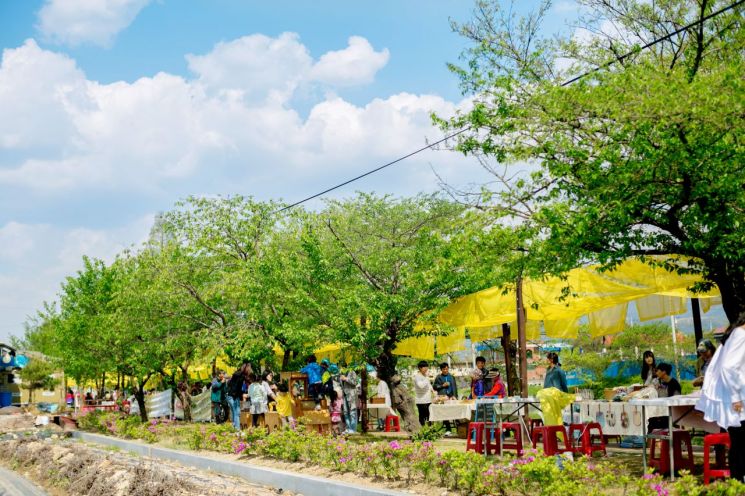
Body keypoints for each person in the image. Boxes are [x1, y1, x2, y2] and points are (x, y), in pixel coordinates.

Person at [696, 313, 745, 482]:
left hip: (733, 397)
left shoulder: (735, 334)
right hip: (737, 399)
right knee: (740, 444)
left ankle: (737, 483)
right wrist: (736, 397)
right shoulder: (741, 334)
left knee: (738, 443)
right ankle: (738, 482)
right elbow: (729, 367)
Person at [647, 362, 681, 432]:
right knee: (648, 421)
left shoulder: (674, 383)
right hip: (659, 412)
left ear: (664, 372)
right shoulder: (658, 382)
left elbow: (676, 400)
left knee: (653, 422)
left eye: (657, 371)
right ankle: (650, 441)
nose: (656, 373)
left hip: (671, 414)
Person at [433, 363, 458, 436]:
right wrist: (442, 385)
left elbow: (455, 387)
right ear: (441, 369)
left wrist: (455, 396)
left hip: (451, 397)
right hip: (443, 397)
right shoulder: (438, 377)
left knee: (455, 412)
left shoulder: (452, 377)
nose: (445, 370)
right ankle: (448, 429)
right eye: (444, 369)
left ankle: (458, 428)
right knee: (444, 412)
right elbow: (434, 387)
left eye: (447, 369)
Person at [227, 365, 248, 430]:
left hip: (230, 396)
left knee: (234, 412)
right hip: (233, 397)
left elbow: (234, 387)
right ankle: (237, 429)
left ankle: (234, 427)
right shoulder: (239, 377)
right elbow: (237, 388)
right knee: (237, 413)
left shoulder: (234, 377)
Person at [413, 361, 434, 427]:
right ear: (419, 368)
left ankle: (430, 430)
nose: (426, 368)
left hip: (428, 400)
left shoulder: (425, 376)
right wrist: (427, 377)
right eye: (424, 367)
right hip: (421, 400)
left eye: (426, 366)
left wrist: (433, 390)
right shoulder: (417, 376)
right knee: (422, 416)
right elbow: (421, 386)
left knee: (429, 416)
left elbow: (429, 385)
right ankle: (422, 431)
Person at [340, 367, 359, 434]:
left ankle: (353, 429)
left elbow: (355, 382)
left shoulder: (352, 372)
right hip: (345, 395)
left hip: (351, 395)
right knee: (345, 412)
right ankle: (348, 428)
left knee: (352, 412)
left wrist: (346, 379)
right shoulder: (342, 373)